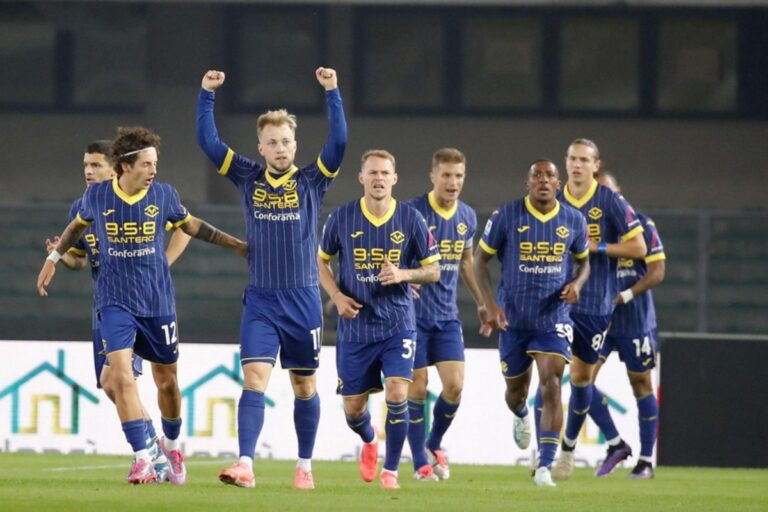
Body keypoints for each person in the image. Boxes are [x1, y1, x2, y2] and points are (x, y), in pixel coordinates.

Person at [37, 126, 247, 485]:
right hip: (113, 301)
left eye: (155, 163)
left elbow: (190, 225)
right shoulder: (96, 199)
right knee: (117, 378)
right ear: (126, 166)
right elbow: (75, 231)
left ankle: (172, 445)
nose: (154, 170)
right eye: (147, 164)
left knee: (166, 382)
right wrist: (54, 258)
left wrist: (238, 246)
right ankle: (144, 457)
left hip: (156, 300)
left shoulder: (163, 196)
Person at [196, 67, 347, 490]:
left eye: (286, 141)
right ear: (260, 147)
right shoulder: (247, 176)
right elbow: (209, 143)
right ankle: (245, 462)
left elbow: (338, 142)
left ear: (295, 145)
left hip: (302, 300)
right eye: (272, 142)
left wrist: (332, 92)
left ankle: (304, 466)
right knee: (254, 380)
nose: (280, 148)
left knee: (304, 386)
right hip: (261, 300)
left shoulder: (312, 180)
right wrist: (207, 95)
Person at [44, 140, 190, 481]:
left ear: (116, 169)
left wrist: (162, 263)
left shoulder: (142, 200)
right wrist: (61, 255)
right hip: (106, 304)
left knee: (127, 378)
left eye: (95, 165)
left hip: (142, 303)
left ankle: (157, 451)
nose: (88, 171)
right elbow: (80, 261)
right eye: (85, 165)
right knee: (110, 384)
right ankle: (153, 448)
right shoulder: (86, 206)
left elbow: (183, 228)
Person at [318, 150, 440, 490]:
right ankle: (369, 439)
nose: (378, 178)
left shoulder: (411, 219)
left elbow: (434, 270)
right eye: (372, 172)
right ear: (361, 177)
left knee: (398, 393)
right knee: (354, 410)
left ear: (394, 178)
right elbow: (321, 261)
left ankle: (391, 471)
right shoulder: (342, 218)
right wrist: (337, 296)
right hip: (356, 326)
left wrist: (403, 273)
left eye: (385, 172)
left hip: (398, 323)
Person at [474, 159, 590, 487]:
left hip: (553, 318)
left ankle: (545, 466)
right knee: (516, 392)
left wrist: (577, 285)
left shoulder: (573, 220)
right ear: (527, 183)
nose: (543, 180)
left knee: (551, 382)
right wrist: (490, 304)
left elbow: (585, 263)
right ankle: (521, 414)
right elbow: (479, 262)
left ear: (558, 184)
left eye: (549, 176)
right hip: (512, 319)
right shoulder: (506, 216)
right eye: (536, 175)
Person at [546, 139, 647, 481]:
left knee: (580, 380)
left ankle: (569, 449)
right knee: (547, 377)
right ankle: (549, 456)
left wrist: (597, 246)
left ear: (595, 164)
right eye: (572, 158)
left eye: (583, 159)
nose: (576, 164)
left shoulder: (609, 201)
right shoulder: (553, 201)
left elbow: (638, 247)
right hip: (556, 304)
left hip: (594, 305)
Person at [404, 148, 486, 481]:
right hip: (412, 316)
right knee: (418, 389)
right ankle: (419, 464)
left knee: (454, 387)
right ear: (433, 176)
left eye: (459, 176)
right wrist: (405, 280)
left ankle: (432, 443)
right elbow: (394, 252)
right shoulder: (411, 212)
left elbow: (466, 262)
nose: (453, 182)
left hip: (447, 317)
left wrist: (482, 302)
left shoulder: (467, 216)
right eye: (447, 175)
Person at [587, 170, 666, 479]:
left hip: (635, 320)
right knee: (582, 381)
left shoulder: (642, 225)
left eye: (609, 191)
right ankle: (615, 442)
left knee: (641, 384)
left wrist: (627, 294)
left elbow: (657, 270)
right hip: (599, 320)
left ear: (618, 192)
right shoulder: (587, 227)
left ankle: (646, 461)